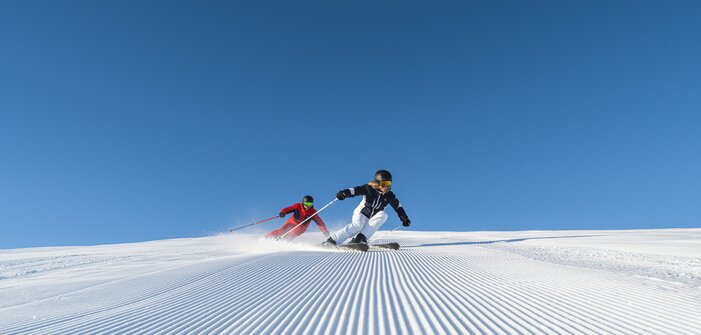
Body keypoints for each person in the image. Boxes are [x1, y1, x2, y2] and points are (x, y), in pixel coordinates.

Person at [323, 170, 410, 246]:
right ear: (378, 182)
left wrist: (404, 218)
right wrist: (344, 193)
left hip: (372, 218)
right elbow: (355, 190)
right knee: (357, 226)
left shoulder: (390, 195)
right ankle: (332, 240)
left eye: (389, 183)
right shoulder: (368, 188)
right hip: (361, 214)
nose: (386, 186)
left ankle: (360, 239)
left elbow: (398, 207)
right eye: (384, 184)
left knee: (384, 215)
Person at [264, 195, 329, 241]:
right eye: (306, 204)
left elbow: (320, 223)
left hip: (301, 227)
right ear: (303, 203)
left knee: (291, 234)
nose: (308, 206)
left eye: (310, 204)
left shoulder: (313, 213)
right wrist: (283, 212)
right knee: (281, 231)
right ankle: (266, 238)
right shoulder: (297, 206)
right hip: (291, 222)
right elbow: (288, 209)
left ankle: (282, 243)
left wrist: (325, 231)